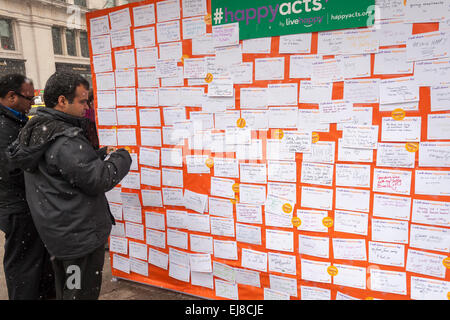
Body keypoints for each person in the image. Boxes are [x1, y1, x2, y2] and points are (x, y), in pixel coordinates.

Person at [7, 72, 132, 300]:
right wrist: (122, 158)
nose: (87, 107)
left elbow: (61, 168)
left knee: (67, 289)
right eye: (83, 101)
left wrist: (96, 155)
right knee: (78, 293)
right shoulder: (65, 139)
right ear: (62, 101)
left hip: (59, 232)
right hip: (78, 240)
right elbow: (98, 179)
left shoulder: (37, 130)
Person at [0, 74, 55, 300]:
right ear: (12, 97)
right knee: (24, 267)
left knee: (37, 263)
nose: (32, 104)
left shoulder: (16, 120)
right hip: (17, 207)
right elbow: (11, 170)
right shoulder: (4, 127)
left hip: (23, 204)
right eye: (29, 98)